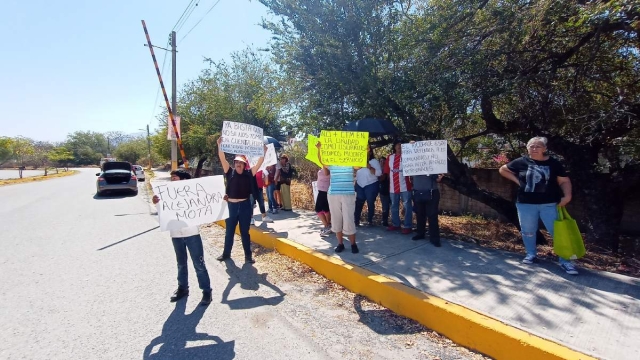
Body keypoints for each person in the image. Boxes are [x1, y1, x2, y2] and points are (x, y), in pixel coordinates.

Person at [499, 136, 578, 275]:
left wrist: (567, 196)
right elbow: (503, 169)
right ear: (527, 148)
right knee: (528, 231)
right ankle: (531, 254)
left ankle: (566, 261)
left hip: (549, 204)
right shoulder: (521, 161)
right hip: (525, 204)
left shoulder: (554, 164)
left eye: (538, 146)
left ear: (545, 149)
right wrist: (518, 181)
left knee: (558, 232)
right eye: (531, 146)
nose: (534, 149)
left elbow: (564, 181)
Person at [152, 169, 212, 306]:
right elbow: (163, 210)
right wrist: (156, 202)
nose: (172, 180)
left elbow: (206, 203)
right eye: (171, 178)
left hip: (192, 234)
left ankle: (206, 291)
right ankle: (182, 288)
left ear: (184, 180)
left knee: (199, 264)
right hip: (175, 234)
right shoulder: (167, 194)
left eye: (175, 178)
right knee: (181, 264)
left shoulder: (192, 193)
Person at [216, 136, 265, 264]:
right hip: (231, 207)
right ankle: (226, 254)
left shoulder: (249, 173)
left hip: (244, 206)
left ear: (244, 164)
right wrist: (220, 145)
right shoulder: (229, 171)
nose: (238, 164)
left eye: (240, 162)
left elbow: (260, 163)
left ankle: (248, 256)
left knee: (245, 233)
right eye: (236, 162)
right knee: (229, 232)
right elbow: (222, 158)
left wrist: (263, 152)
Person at [316, 141, 359, 254]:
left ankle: (353, 244)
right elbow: (322, 161)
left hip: (348, 194)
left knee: (349, 220)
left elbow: (359, 165)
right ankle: (340, 244)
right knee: (336, 220)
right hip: (333, 194)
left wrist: (365, 152)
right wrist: (319, 149)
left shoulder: (351, 161)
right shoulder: (332, 162)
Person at [383, 139, 413, 234]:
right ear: (394, 146)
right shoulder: (390, 157)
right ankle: (396, 224)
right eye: (397, 145)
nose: (399, 147)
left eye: (401, 145)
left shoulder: (408, 157)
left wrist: (413, 145)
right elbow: (386, 172)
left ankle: (408, 226)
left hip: (405, 187)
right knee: (394, 207)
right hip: (393, 187)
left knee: (407, 207)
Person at [412, 173, 444, 247]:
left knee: (432, 215)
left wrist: (438, 177)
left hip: (431, 192)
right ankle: (420, 234)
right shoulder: (413, 162)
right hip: (417, 191)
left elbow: (438, 178)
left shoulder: (432, 163)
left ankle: (434, 238)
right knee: (419, 214)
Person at [354, 148, 381, 226]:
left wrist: (370, 167)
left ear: (371, 151)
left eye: (368, 149)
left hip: (371, 184)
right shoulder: (358, 162)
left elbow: (379, 173)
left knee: (370, 202)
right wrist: (356, 182)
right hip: (360, 185)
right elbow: (358, 173)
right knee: (358, 203)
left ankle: (370, 221)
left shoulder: (374, 161)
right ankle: (356, 221)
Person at [315, 166, 332, 237]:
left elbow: (326, 173)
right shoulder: (324, 167)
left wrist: (323, 165)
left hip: (324, 190)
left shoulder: (328, 168)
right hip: (321, 190)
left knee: (319, 209)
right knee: (324, 209)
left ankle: (327, 226)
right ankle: (328, 225)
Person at [378, 156, 391, 227]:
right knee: (385, 207)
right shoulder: (378, 170)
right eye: (381, 161)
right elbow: (380, 180)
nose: (382, 163)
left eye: (384, 161)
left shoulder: (389, 169)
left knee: (392, 207)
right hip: (383, 191)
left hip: (391, 189)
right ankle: (384, 221)